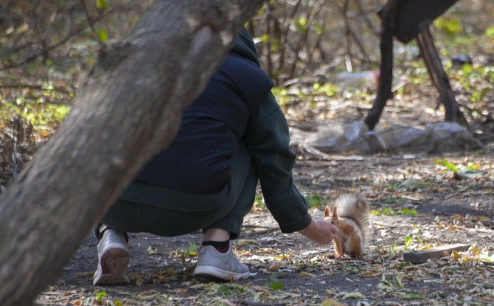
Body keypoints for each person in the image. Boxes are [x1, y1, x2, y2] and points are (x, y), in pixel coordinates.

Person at [93, 28, 338, 286]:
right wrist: (310, 227)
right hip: (192, 206)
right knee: (254, 140)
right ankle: (217, 247)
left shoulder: (135, 61)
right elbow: (274, 165)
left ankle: (111, 235)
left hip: (115, 201)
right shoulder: (248, 78)